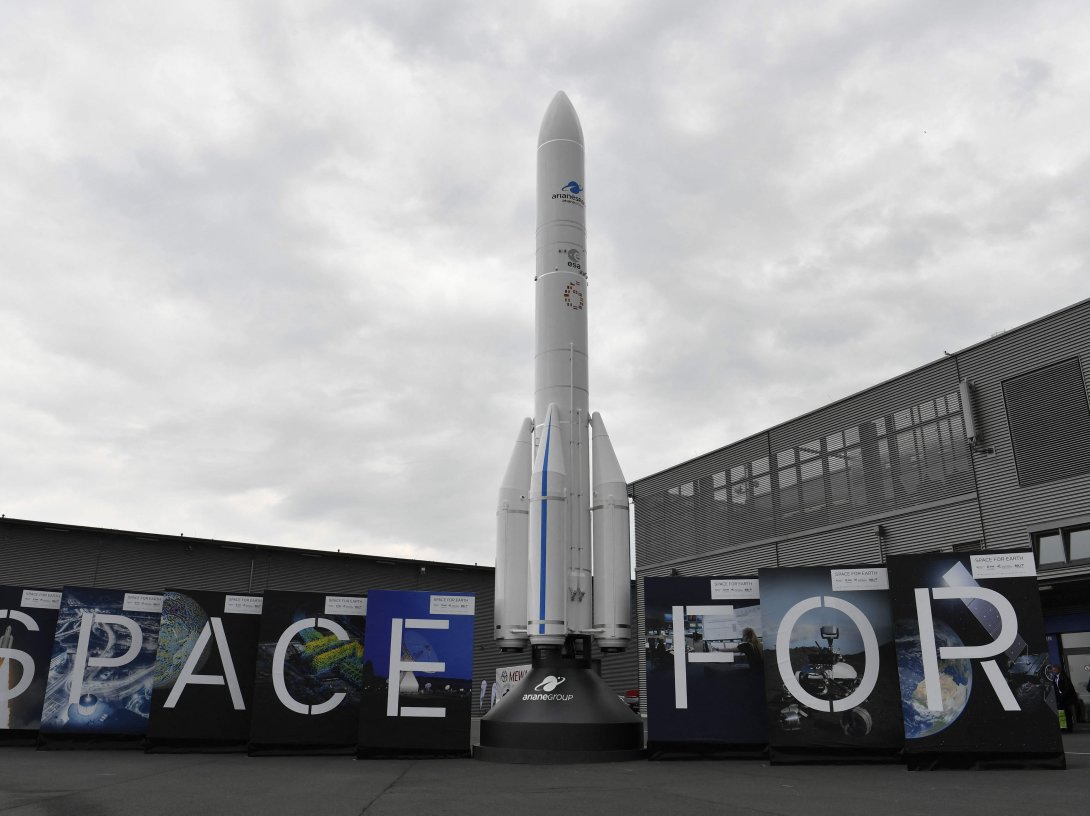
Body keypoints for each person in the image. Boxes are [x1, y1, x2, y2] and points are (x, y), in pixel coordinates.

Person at [1047, 664, 1077, 732]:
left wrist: (1062, 695)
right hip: (1060, 699)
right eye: (1053, 670)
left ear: (1059, 669)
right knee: (1061, 713)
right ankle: (1063, 727)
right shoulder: (1055, 678)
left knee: (1067, 714)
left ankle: (1069, 728)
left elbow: (1068, 688)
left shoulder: (1064, 677)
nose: (1053, 671)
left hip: (1066, 699)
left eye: (1055, 670)